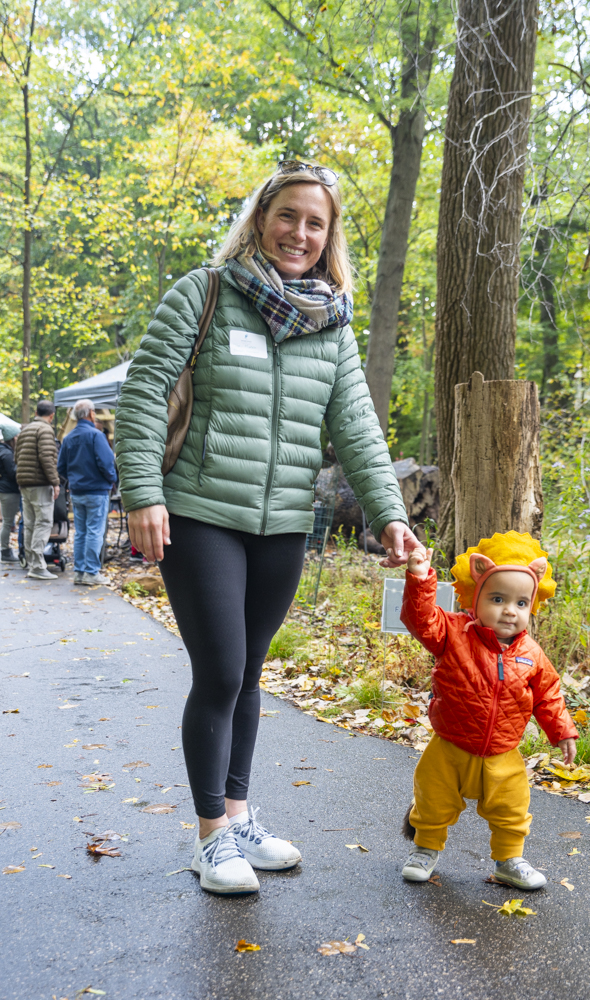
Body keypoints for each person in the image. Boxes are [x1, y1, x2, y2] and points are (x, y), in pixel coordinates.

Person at [115, 160, 420, 896]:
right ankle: (210, 837)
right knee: (221, 671)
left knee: (249, 672)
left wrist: (389, 513)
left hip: (283, 522)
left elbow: (356, 426)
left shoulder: (332, 323)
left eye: (316, 223)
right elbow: (145, 392)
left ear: (329, 236)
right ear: (260, 218)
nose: (299, 233)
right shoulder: (205, 292)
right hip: (199, 511)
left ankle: (239, 815)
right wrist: (143, 494)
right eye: (288, 215)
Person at [399, 531, 578, 890]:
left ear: (532, 606)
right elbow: (420, 619)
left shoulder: (531, 654)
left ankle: (509, 860)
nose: (510, 610)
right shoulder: (453, 633)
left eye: (521, 603)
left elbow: (548, 695)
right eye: (498, 599)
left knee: (512, 808)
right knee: (433, 799)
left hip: (502, 752)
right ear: (475, 598)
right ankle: (425, 848)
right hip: (450, 746)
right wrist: (420, 577)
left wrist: (562, 730)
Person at [57, 398, 116, 586]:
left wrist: (73, 479)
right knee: (94, 531)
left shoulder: (69, 438)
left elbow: (61, 467)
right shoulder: (96, 436)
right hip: (96, 491)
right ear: (91, 413)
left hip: (77, 491)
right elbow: (106, 463)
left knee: (81, 532)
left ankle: (79, 572)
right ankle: (91, 572)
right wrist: (112, 479)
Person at [14, 400, 60, 581]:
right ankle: (38, 566)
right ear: (51, 416)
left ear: (35, 412)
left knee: (30, 524)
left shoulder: (25, 430)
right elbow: (46, 457)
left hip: (24, 483)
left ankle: (32, 563)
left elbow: (16, 457)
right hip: (40, 484)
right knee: (44, 522)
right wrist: (55, 482)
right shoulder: (45, 430)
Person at [0, 426, 21, 564]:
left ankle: (5, 550)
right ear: (13, 437)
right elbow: (13, 473)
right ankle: (4, 551)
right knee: (7, 522)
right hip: (9, 491)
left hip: (6, 489)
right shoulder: (6, 453)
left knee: (7, 522)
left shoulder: (3, 450)